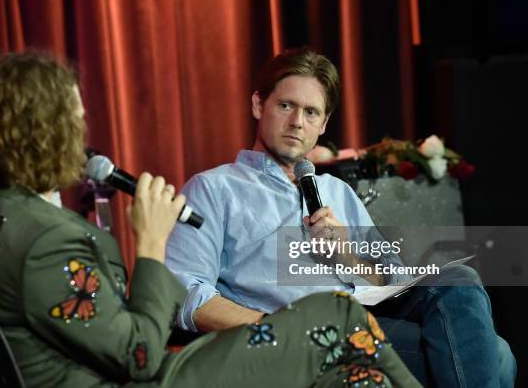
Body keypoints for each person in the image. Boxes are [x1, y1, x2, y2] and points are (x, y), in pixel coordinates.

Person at [0, 52, 421, 388]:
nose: (81, 131)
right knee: (339, 315)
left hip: (80, 362)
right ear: (44, 131)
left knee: (363, 369)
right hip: (144, 377)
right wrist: (151, 242)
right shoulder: (49, 241)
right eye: (74, 119)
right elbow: (140, 354)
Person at [165, 47, 516, 387]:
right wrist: (277, 328)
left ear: (324, 123)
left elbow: (392, 278)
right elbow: (183, 291)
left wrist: (346, 255)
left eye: (311, 112)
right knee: (497, 356)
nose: (297, 123)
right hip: (300, 341)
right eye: (286, 106)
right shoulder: (214, 189)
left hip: (367, 317)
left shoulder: (337, 191)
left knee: (458, 277)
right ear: (259, 105)